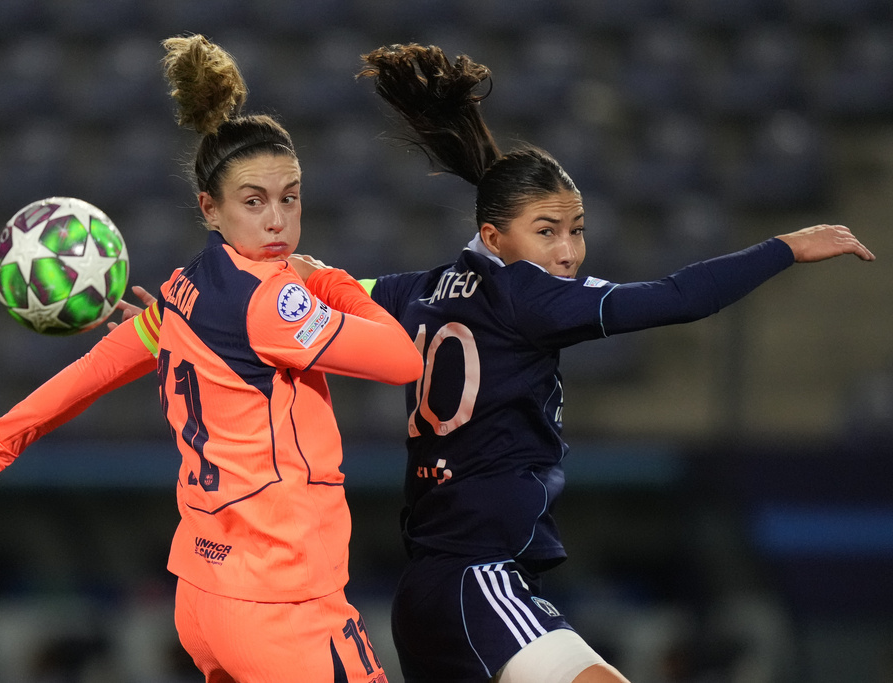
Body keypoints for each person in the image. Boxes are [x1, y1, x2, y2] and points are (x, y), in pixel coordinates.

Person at [0, 35, 421, 683]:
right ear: (210, 208)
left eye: (290, 197)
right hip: (282, 603)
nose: (278, 220)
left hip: (204, 596)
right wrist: (327, 279)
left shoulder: (184, 289)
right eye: (253, 201)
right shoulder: (272, 300)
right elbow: (402, 359)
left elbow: (97, 368)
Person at [355, 44, 874, 683]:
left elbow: (348, 289)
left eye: (576, 229)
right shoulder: (531, 296)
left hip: (427, 587)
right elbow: (677, 297)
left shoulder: (423, 287)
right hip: (480, 577)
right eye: (547, 231)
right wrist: (785, 246)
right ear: (494, 238)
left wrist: (282, 276)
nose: (568, 251)